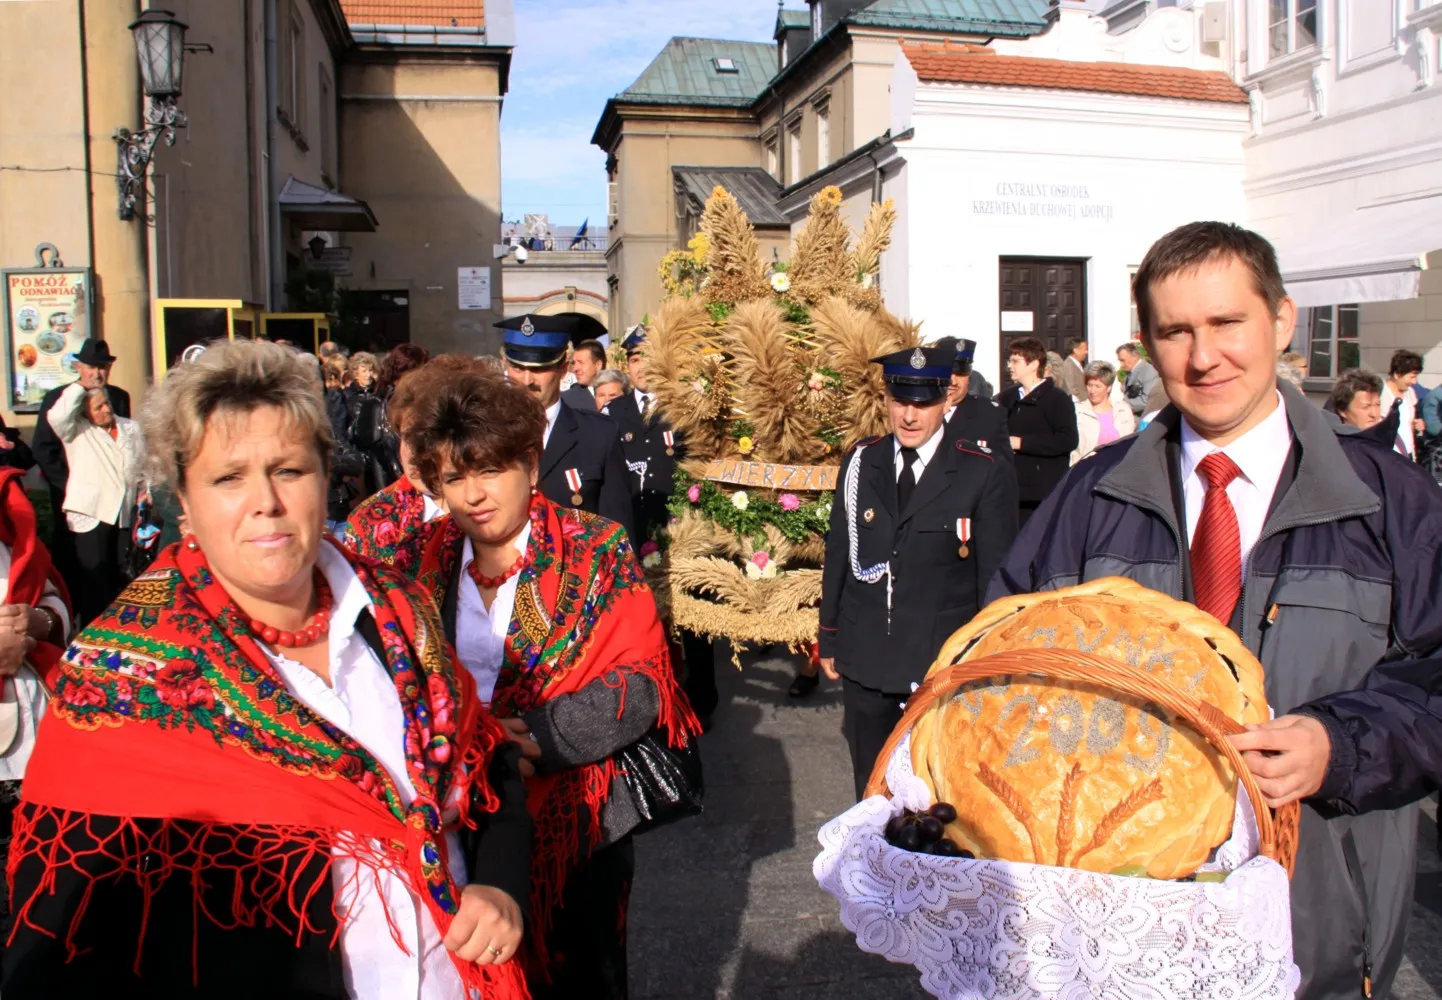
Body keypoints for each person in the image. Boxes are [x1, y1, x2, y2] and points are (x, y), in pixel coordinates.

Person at [990, 220, 1442, 1000]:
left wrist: (1339, 745)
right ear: (1148, 342)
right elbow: (1003, 665)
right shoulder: (1087, 497)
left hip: (1318, 933)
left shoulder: (1392, 501)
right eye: (1176, 332)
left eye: (1228, 323)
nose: (1204, 358)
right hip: (1125, 930)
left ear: (1282, 318)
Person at [4, 339, 534, 998]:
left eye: (288, 469)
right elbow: (60, 941)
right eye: (229, 478)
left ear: (323, 472)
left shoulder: (399, 610)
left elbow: (490, 768)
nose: (267, 503)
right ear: (184, 503)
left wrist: (498, 883)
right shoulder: (119, 679)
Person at [391, 365, 700, 999]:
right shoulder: (419, 558)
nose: (475, 494)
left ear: (530, 467)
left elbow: (640, 685)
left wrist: (536, 735)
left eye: (490, 470)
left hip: (579, 821)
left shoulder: (597, 548)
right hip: (459, 814)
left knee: (584, 976)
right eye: (455, 477)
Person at [818, 347, 1019, 799]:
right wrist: (829, 636)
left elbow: (995, 582)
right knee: (870, 793)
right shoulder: (860, 462)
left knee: (935, 799)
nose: (909, 415)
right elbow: (840, 553)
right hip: (867, 656)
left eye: (923, 403)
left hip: (937, 665)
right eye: (899, 401)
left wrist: (986, 664)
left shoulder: (980, 471)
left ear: (947, 400)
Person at [605, 326, 719, 724]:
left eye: (648, 358)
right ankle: (654, 699)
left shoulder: (683, 409)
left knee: (693, 621)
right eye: (635, 359)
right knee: (646, 621)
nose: (641, 368)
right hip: (636, 528)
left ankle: (703, 699)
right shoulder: (613, 414)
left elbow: (702, 466)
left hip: (681, 529)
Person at [0, 466, 72, 933]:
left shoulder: (13, 536)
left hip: (33, 751)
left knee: (33, 903)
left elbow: (54, 598)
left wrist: (38, 623)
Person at [497, 314, 635, 541]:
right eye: (517, 368)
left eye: (539, 369)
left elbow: (618, 531)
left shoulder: (599, 435)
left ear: (563, 368)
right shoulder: (485, 431)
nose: (527, 380)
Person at [45, 381, 146, 625]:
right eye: (98, 407)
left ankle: (120, 629)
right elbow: (56, 415)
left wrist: (145, 492)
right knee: (94, 582)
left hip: (123, 513)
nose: (107, 410)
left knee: (122, 575)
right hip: (91, 512)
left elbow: (144, 463)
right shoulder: (76, 430)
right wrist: (80, 385)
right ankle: (93, 631)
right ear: (85, 412)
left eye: (107, 403)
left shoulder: (129, 427)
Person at [31, 338, 131, 568]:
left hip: (114, 496)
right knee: (82, 561)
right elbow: (44, 448)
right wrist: (70, 483)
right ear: (79, 368)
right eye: (91, 367)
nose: (97, 373)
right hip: (76, 494)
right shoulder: (58, 398)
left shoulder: (118, 397)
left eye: (103, 367)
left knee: (117, 561)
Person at [342, 359, 452, 563]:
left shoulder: (498, 512)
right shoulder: (369, 521)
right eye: (409, 437)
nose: (418, 454)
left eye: (430, 437)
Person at [998, 337, 1078, 525]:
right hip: (1010, 488)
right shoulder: (1007, 397)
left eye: (1015, 361)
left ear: (1034, 364)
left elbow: (1067, 440)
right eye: (1009, 361)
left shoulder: (1057, 399)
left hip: (1041, 492)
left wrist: (1022, 443)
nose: (1010, 366)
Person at [351, 345, 430, 496]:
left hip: (416, 489)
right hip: (390, 489)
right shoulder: (377, 406)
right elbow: (367, 450)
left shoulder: (424, 403)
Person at [935, 337, 1012, 460]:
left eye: (960, 374)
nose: (953, 381)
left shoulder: (990, 414)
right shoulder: (920, 409)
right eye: (947, 373)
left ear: (969, 375)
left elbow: (1004, 470)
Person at [1072, 360, 1137, 463]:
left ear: (1108, 388)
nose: (1092, 391)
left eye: (1098, 386)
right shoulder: (1077, 411)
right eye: (1090, 385)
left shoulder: (1123, 410)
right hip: (1085, 471)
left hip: (1116, 470)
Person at [1380, 349, 1426, 460]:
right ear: (1397, 374)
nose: (1414, 382)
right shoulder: (1379, 394)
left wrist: (1415, 424)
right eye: (1411, 377)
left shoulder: (1410, 393)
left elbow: (1406, 422)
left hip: (1407, 453)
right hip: (1388, 455)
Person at [1116, 342, 1165, 418]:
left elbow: (1146, 401)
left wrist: (1122, 406)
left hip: (1142, 419)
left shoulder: (1148, 371)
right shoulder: (1131, 372)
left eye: (1123, 360)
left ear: (1135, 357)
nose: (1121, 365)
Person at [562, 340, 607, 412]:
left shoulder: (620, 394)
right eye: (574, 363)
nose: (575, 368)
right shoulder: (565, 400)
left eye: (580, 362)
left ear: (598, 365)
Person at [1055, 336, 1089, 401]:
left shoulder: (1078, 364)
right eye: (1085, 349)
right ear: (1076, 350)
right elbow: (1071, 389)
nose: (1086, 352)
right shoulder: (1068, 365)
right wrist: (1084, 401)